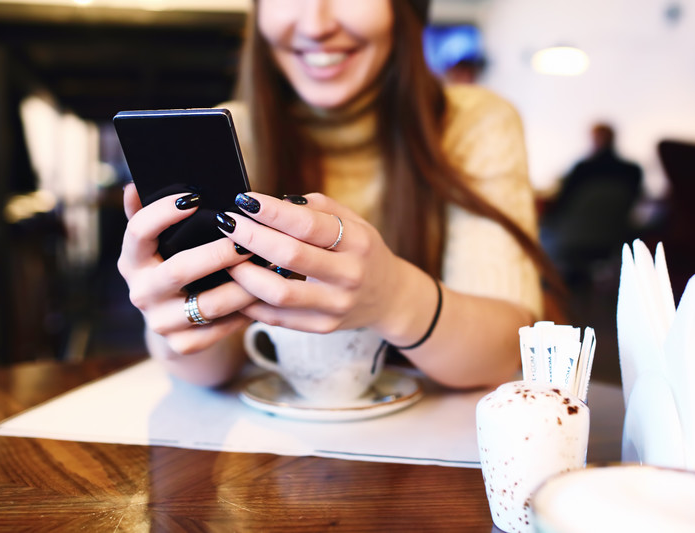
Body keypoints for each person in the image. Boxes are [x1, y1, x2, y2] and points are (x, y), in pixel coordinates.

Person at [117, 0, 558, 390]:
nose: (315, 23)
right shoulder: (235, 135)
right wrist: (177, 321)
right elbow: (211, 372)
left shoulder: (474, 121)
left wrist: (394, 296)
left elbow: (510, 352)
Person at [540, 123, 642, 282]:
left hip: (572, 237)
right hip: (614, 235)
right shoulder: (632, 171)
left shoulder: (583, 170)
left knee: (542, 231)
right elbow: (636, 201)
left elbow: (561, 204)